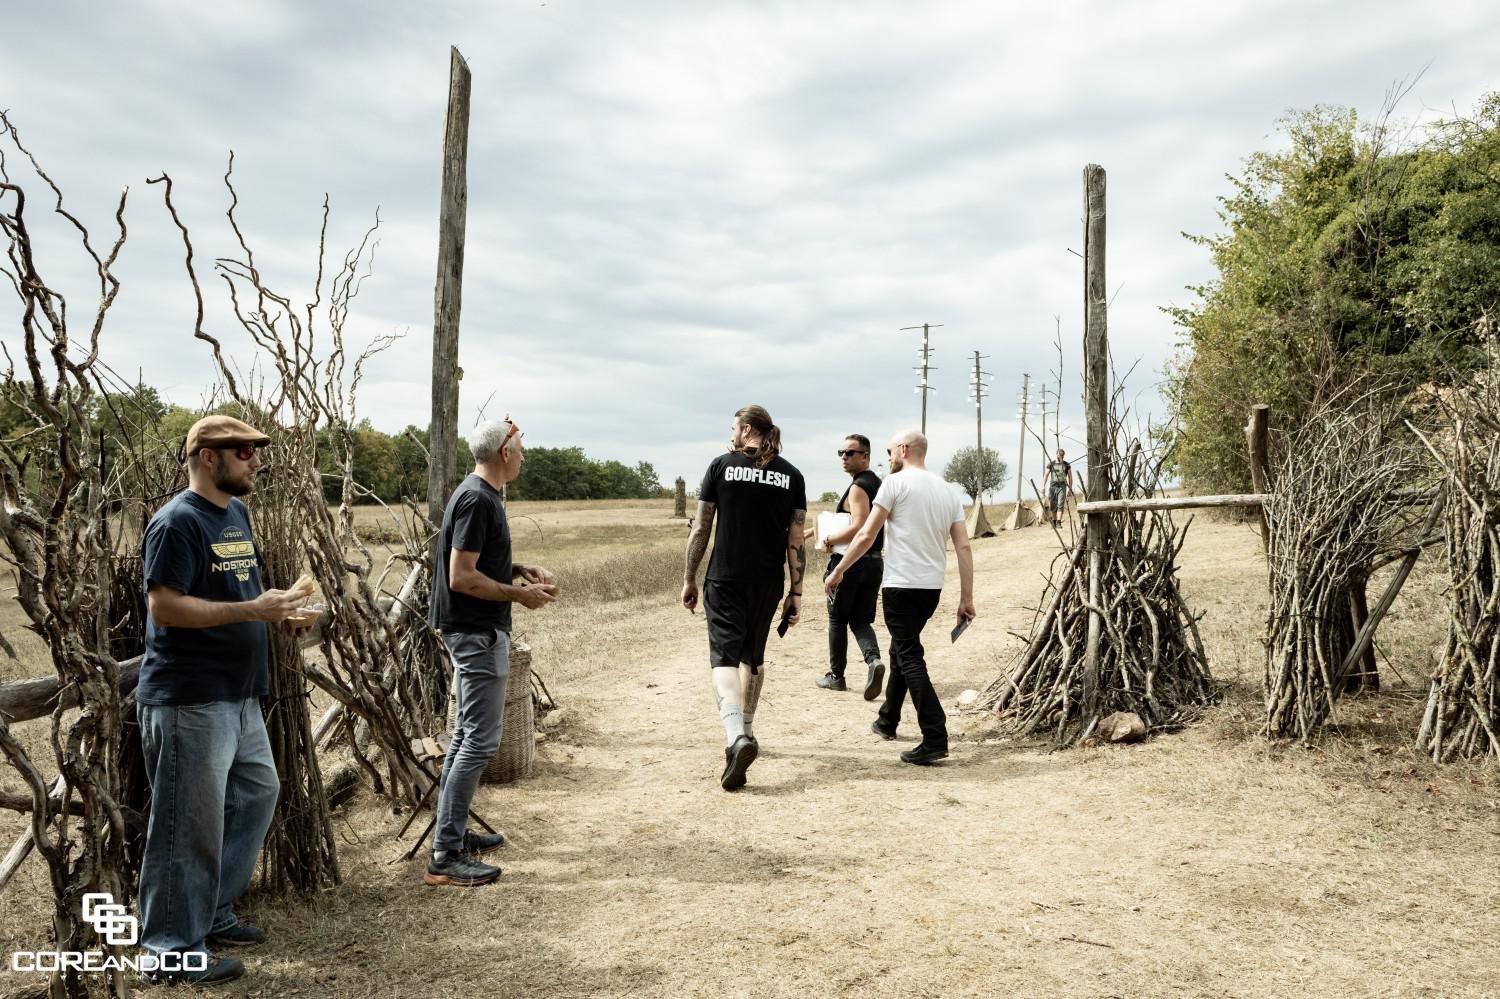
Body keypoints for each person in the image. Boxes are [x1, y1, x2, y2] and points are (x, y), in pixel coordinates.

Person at [138, 415, 320, 986]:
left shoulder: (235, 515)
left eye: (255, 450)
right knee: (184, 826)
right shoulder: (176, 523)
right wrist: (251, 611)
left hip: (238, 696)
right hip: (190, 698)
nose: (255, 460)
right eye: (243, 451)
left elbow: (243, 590)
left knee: (258, 794)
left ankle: (210, 911)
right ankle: (169, 949)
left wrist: (285, 614)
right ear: (208, 458)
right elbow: (164, 608)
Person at [426, 419, 559, 887]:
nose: (524, 455)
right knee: (479, 740)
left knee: (466, 735)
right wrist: (517, 595)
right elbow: (461, 576)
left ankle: (453, 833)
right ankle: (445, 854)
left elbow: (476, 560)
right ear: (504, 452)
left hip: (474, 631)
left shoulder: (479, 494)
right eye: (520, 448)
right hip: (476, 633)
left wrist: (517, 567)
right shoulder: (479, 498)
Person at [825, 429, 975, 765]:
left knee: (909, 656)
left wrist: (840, 570)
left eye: (891, 451)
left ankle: (935, 735)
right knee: (900, 649)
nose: (889, 456)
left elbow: (866, 534)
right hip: (930, 589)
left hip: (901, 586)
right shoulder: (948, 490)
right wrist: (966, 597)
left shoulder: (894, 484)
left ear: (904, 450)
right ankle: (887, 719)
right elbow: (963, 546)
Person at [682, 405, 807, 791]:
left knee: (723, 657)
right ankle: (749, 730)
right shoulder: (792, 475)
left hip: (725, 578)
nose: (732, 434)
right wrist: (796, 591)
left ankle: (736, 736)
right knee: (753, 657)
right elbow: (796, 539)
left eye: (734, 427)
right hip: (767, 581)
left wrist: (689, 578)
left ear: (746, 429)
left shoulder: (720, 466)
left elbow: (702, 527)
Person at [814, 434, 886, 700]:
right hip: (875, 560)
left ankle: (836, 677)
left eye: (850, 453)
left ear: (865, 456)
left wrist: (828, 540)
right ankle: (874, 661)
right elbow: (846, 521)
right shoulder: (878, 484)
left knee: (837, 618)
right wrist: (813, 532)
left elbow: (858, 526)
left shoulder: (859, 486)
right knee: (860, 619)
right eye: (841, 452)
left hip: (852, 562)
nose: (844, 457)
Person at [1046, 448, 1074, 526]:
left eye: (1062, 455)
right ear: (1057, 454)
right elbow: (1046, 475)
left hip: (1062, 486)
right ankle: (1054, 521)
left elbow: (1070, 477)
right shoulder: (1051, 464)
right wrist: (1043, 486)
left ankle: (1059, 522)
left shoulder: (1067, 465)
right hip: (1053, 487)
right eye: (1060, 455)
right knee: (1053, 505)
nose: (1061, 456)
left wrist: (1070, 489)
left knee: (1060, 504)